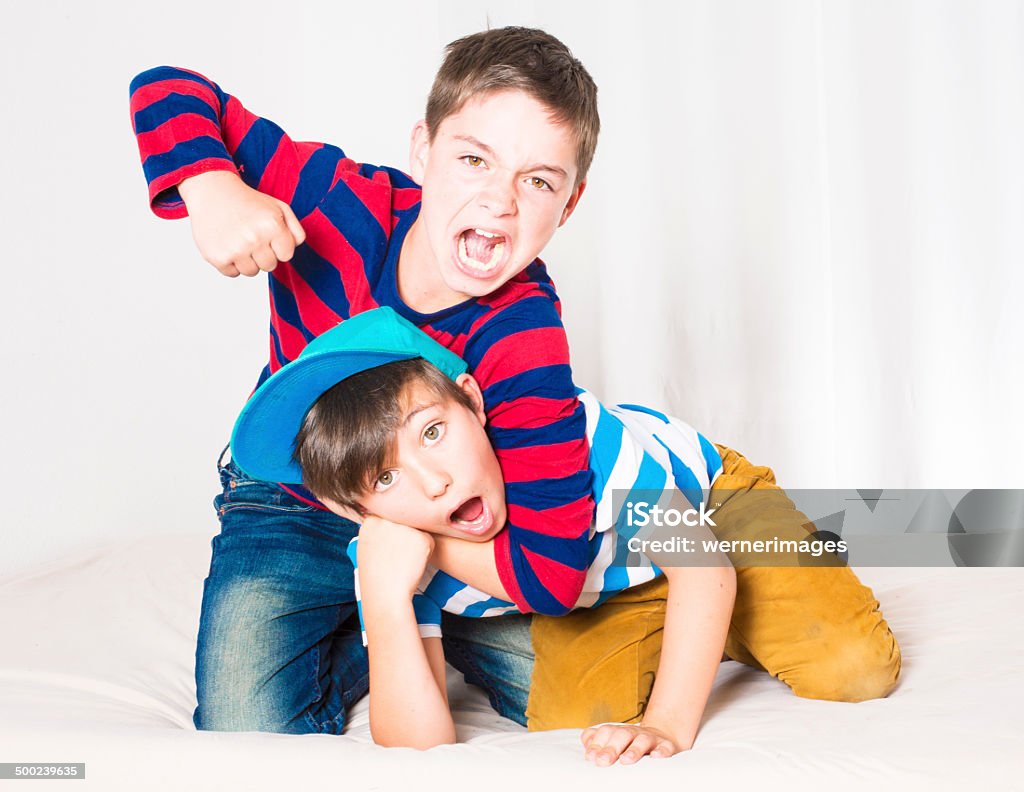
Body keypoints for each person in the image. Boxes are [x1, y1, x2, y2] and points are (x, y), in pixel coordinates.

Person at [128, 27, 606, 734]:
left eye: (537, 180)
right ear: (424, 151)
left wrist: (414, 545)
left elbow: (552, 572)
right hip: (295, 499)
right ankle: (366, 626)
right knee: (245, 724)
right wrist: (213, 186)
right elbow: (165, 87)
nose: (500, 200)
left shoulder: (526, 336)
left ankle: (746, 538)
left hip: (444, 513)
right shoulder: (339, 203)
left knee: (588, 699)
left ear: (567, 205)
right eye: (474, 159)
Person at [230, 306, 902, 765]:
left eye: (433, 432)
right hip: (610, 592)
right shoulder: (393, 552)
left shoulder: (570, 444)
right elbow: (419, 752)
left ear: (472, 400)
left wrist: (668, 725)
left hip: (710, 516)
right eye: (384, 479)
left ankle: (764, 590)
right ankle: (703, 628)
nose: (432, 481)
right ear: (357, 509)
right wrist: (382, 600)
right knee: (569, 721)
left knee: (853, 666)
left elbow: (702, 565)